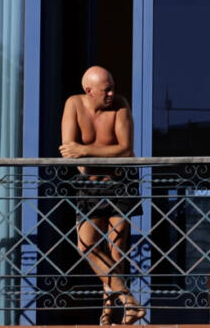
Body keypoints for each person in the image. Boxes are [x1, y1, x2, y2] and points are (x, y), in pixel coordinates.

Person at [59, 66, 146, 325]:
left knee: (116, 251)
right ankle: (130, 302)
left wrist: (85, 151)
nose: (111, 93)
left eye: (112, 87)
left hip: (121, 183)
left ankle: (109, 313)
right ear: (89, 90)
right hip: (90, 185)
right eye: (105, 89)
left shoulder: (120, 105)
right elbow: (68, 152)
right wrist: (100, 153)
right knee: (87, 245)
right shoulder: (74, 104)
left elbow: (126, 150)